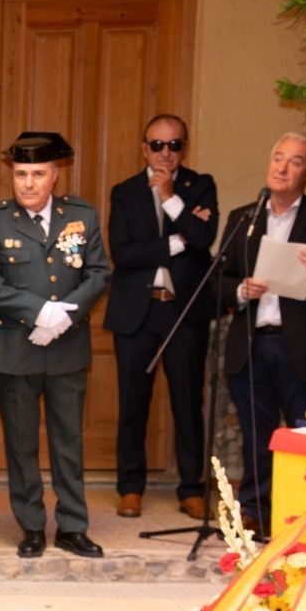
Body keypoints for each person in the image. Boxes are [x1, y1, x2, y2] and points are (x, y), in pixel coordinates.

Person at [0, 131, 109, 560]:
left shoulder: (81, 216)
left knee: (69, 441)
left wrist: (65, 315)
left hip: (67, 349)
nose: (28, 183)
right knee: (21, 443)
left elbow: (99, 273)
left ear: (55, 176)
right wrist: (39, 312)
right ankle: (31, 526)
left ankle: (72, 526)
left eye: (37, 174)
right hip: (17, 349)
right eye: (20, 174)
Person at [218, 130, 306, 534]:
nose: (282, 167)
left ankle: (298, 517)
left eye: (294, 161)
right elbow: (218, 280)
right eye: (278, 157)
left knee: (301, 433)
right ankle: (254, 511)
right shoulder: (245, 216)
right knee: (255, 434)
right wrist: (240, 290)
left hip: (300, 345)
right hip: (251, 341)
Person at [104, 115, 218, 520]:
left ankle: (191, 488)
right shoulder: (125, 193)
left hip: (183, 310)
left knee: (188, 402)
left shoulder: (200, 185)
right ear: (144, 147)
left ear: (184, 148)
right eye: (157, 145)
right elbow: (124, 254)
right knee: (133, 402)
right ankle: (130, 487)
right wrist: (177, 239)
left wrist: (171, 197)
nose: (165, 153)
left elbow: (205, 241)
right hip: (137, 311)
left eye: (174, 146)